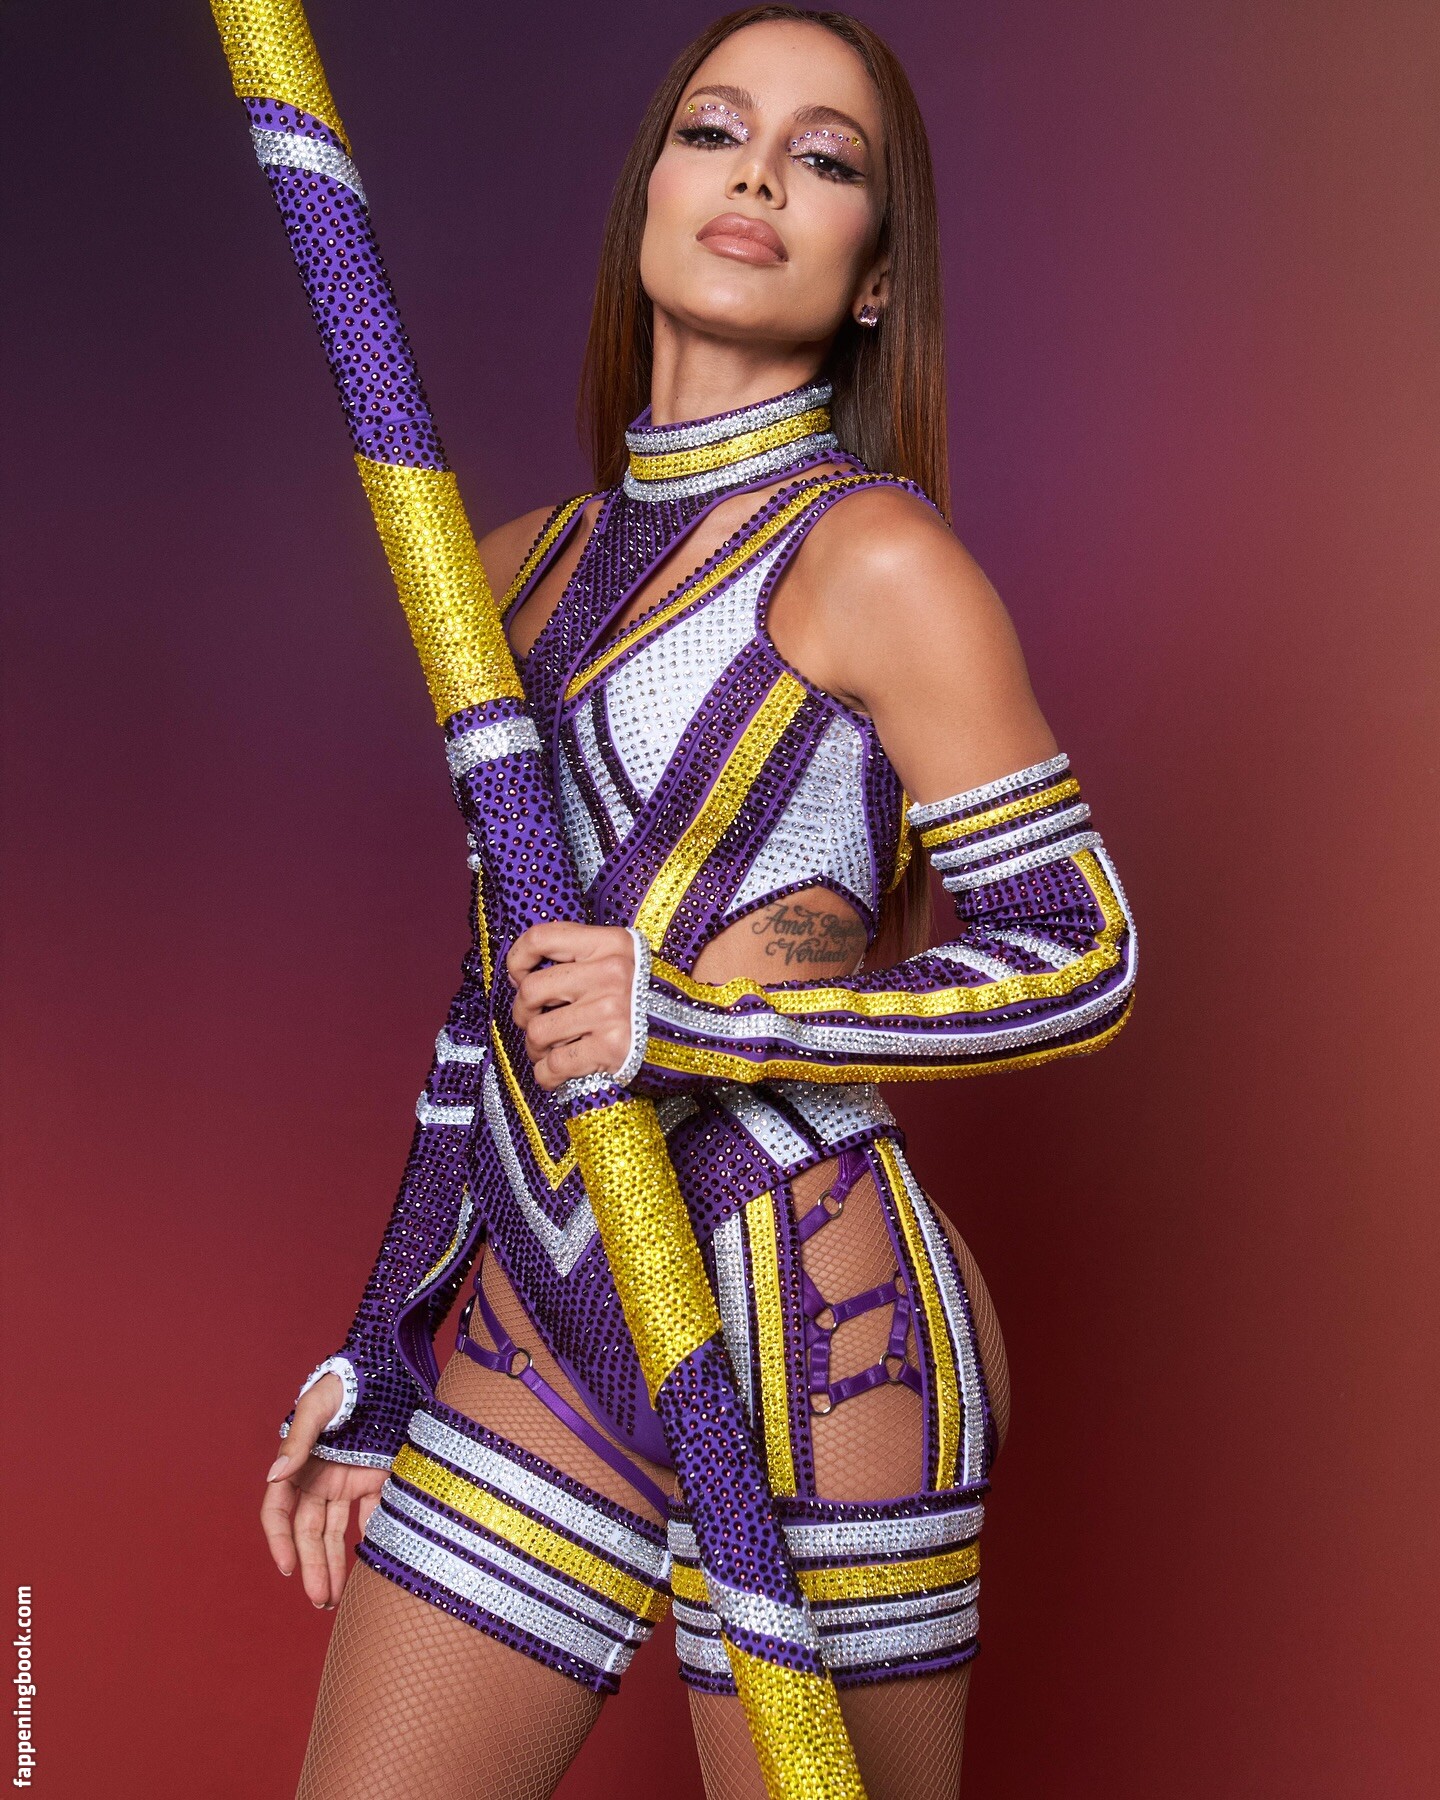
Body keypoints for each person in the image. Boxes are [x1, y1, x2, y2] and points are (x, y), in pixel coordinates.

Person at [259, 9, 1135, 1797]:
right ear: (650, 194)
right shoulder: (509, 570)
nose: (759, 175)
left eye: (826, 158)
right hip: (551, 1312)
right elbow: (498, 999)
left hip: (822, 1335)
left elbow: (1084, 950)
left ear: (876, 278)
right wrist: (385, 1344)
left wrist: (699, 1022)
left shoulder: (878, 560)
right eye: (716, 130)